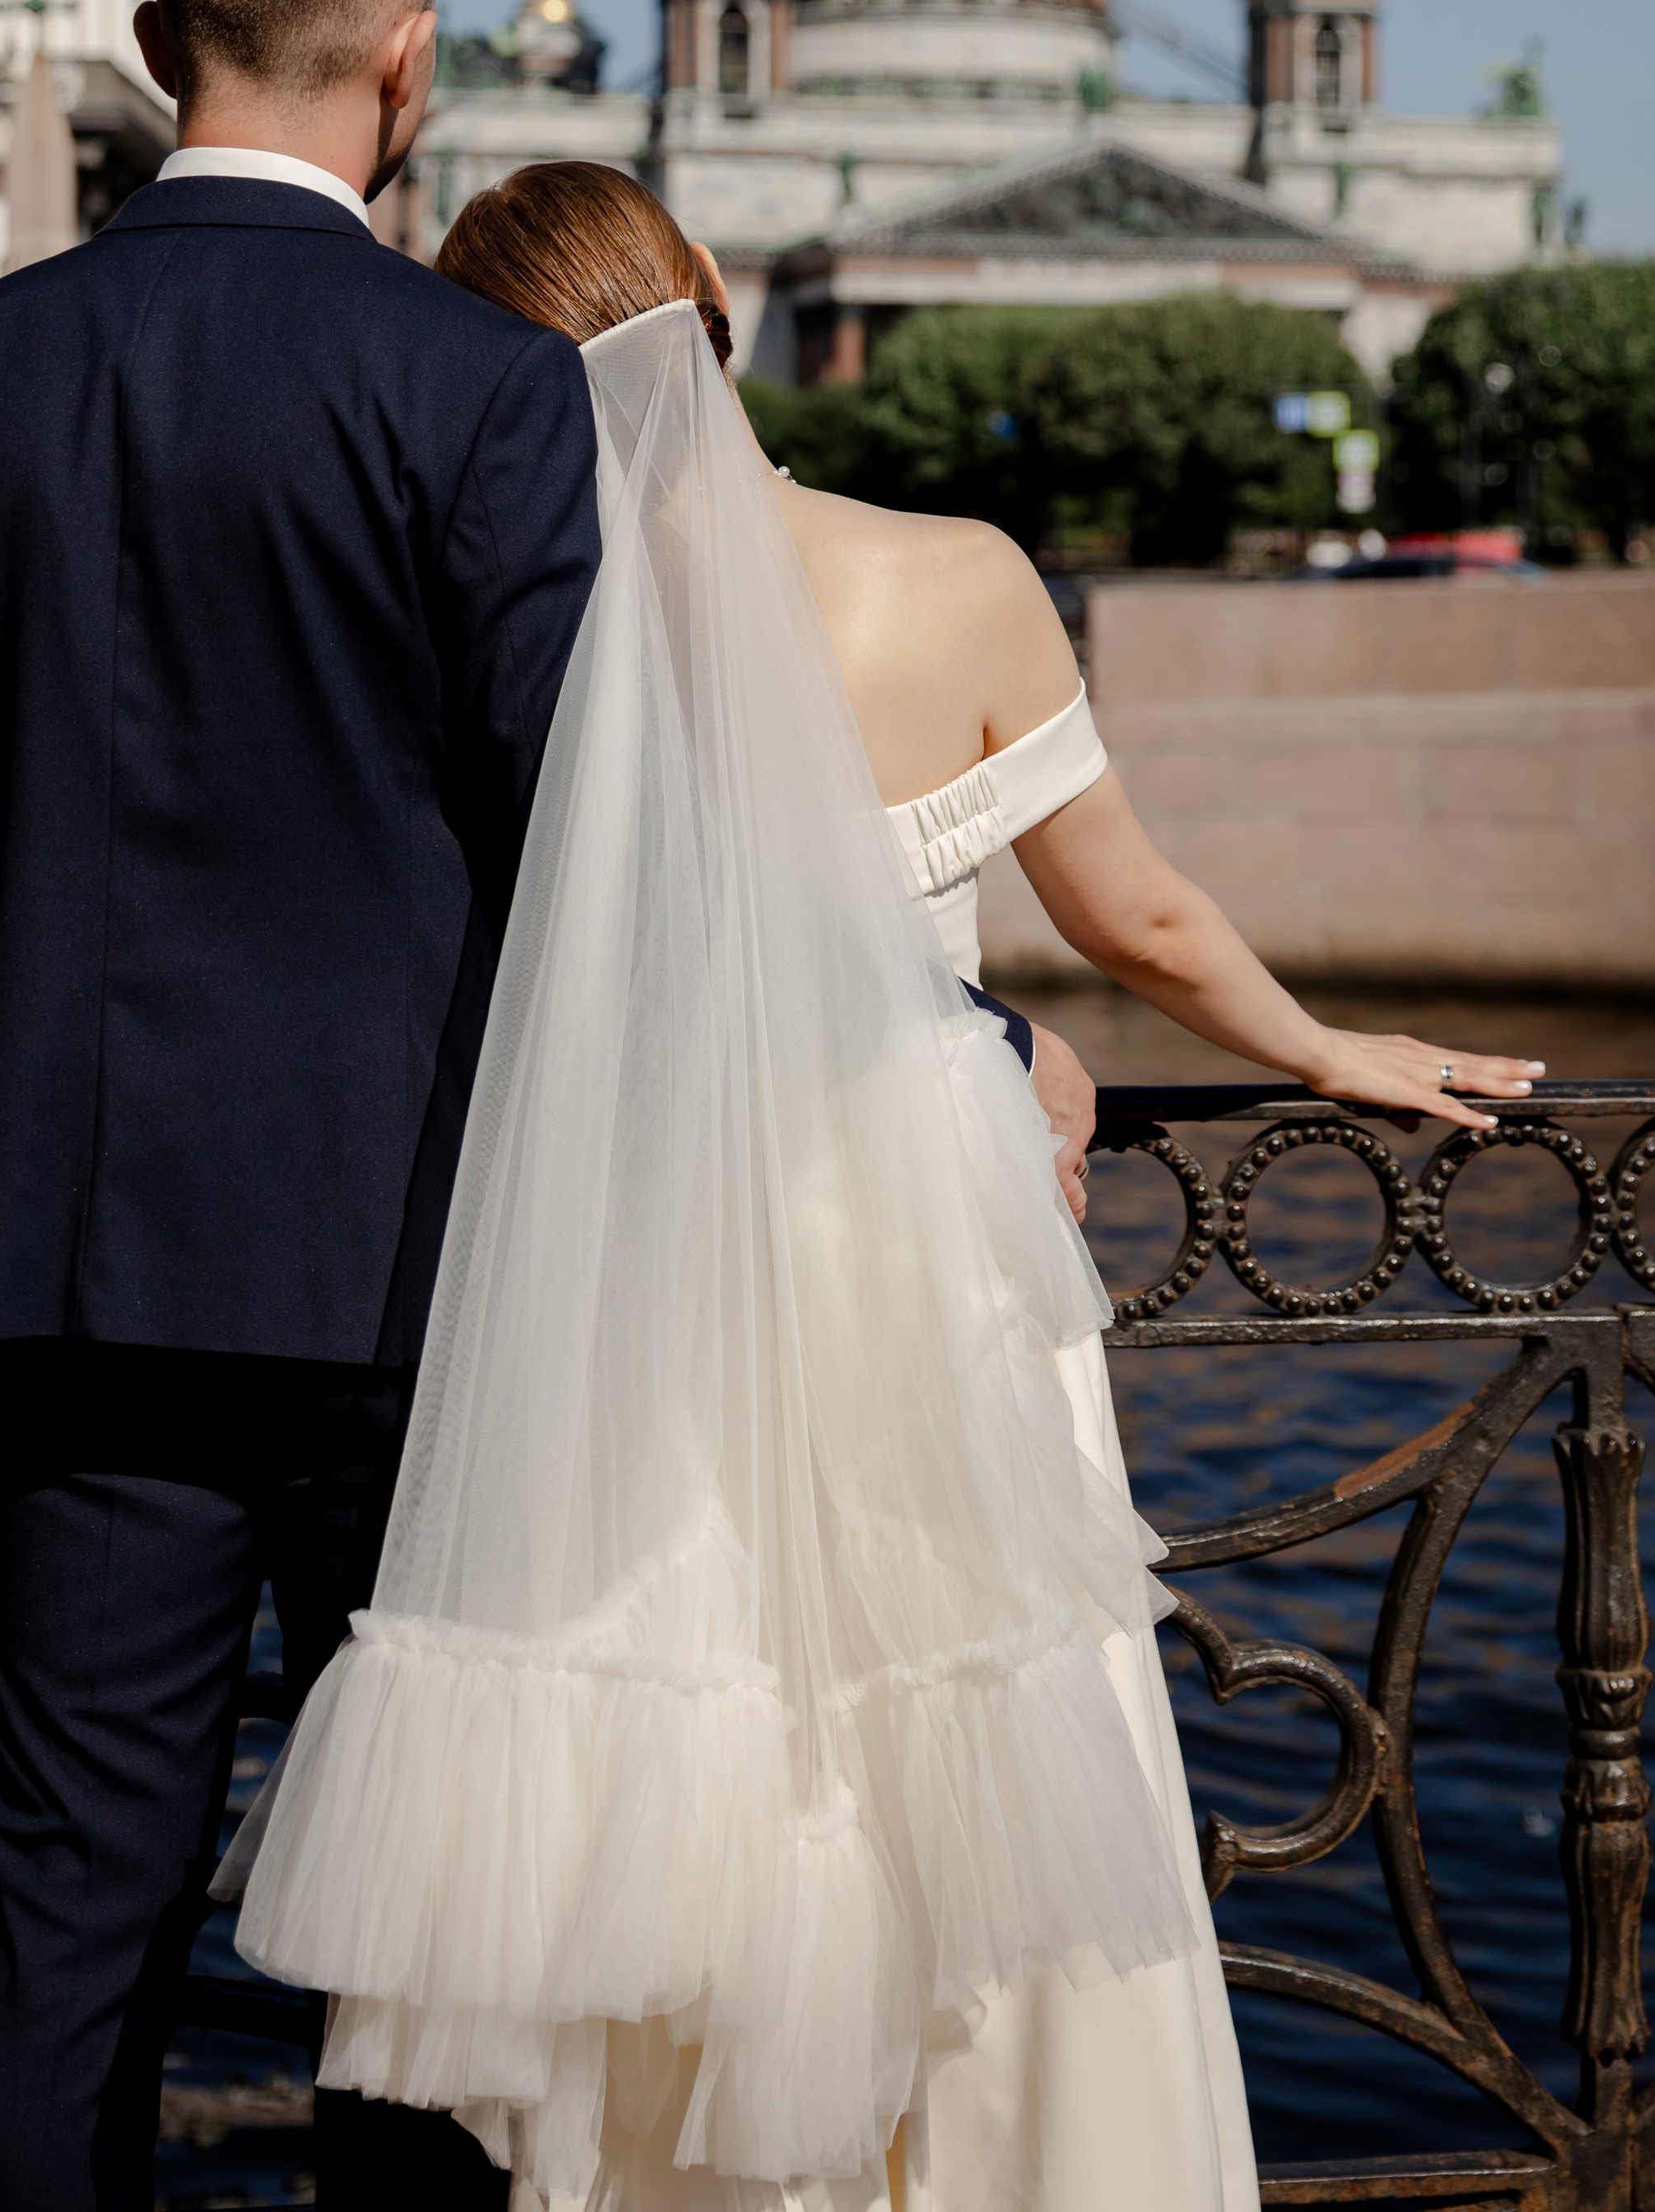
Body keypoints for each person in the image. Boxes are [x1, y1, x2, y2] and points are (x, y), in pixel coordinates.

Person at [222, 162, 1539, 2212]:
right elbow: (1144, 922)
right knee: (970, 1738)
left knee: (702, 1727)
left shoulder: (512, 624)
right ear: (723, 298)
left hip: (641, 1263)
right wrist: (1317, 1049)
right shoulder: (956, 576)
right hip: (917, 1251)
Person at [0, 0, 604, 2212]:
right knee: (431, 1914)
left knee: (72, 1903)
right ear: (415, 65)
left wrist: (65, 1014)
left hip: (85, 1260)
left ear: (161, 48)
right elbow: (593, 847)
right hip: (423, 1283)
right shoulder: (480, 393)